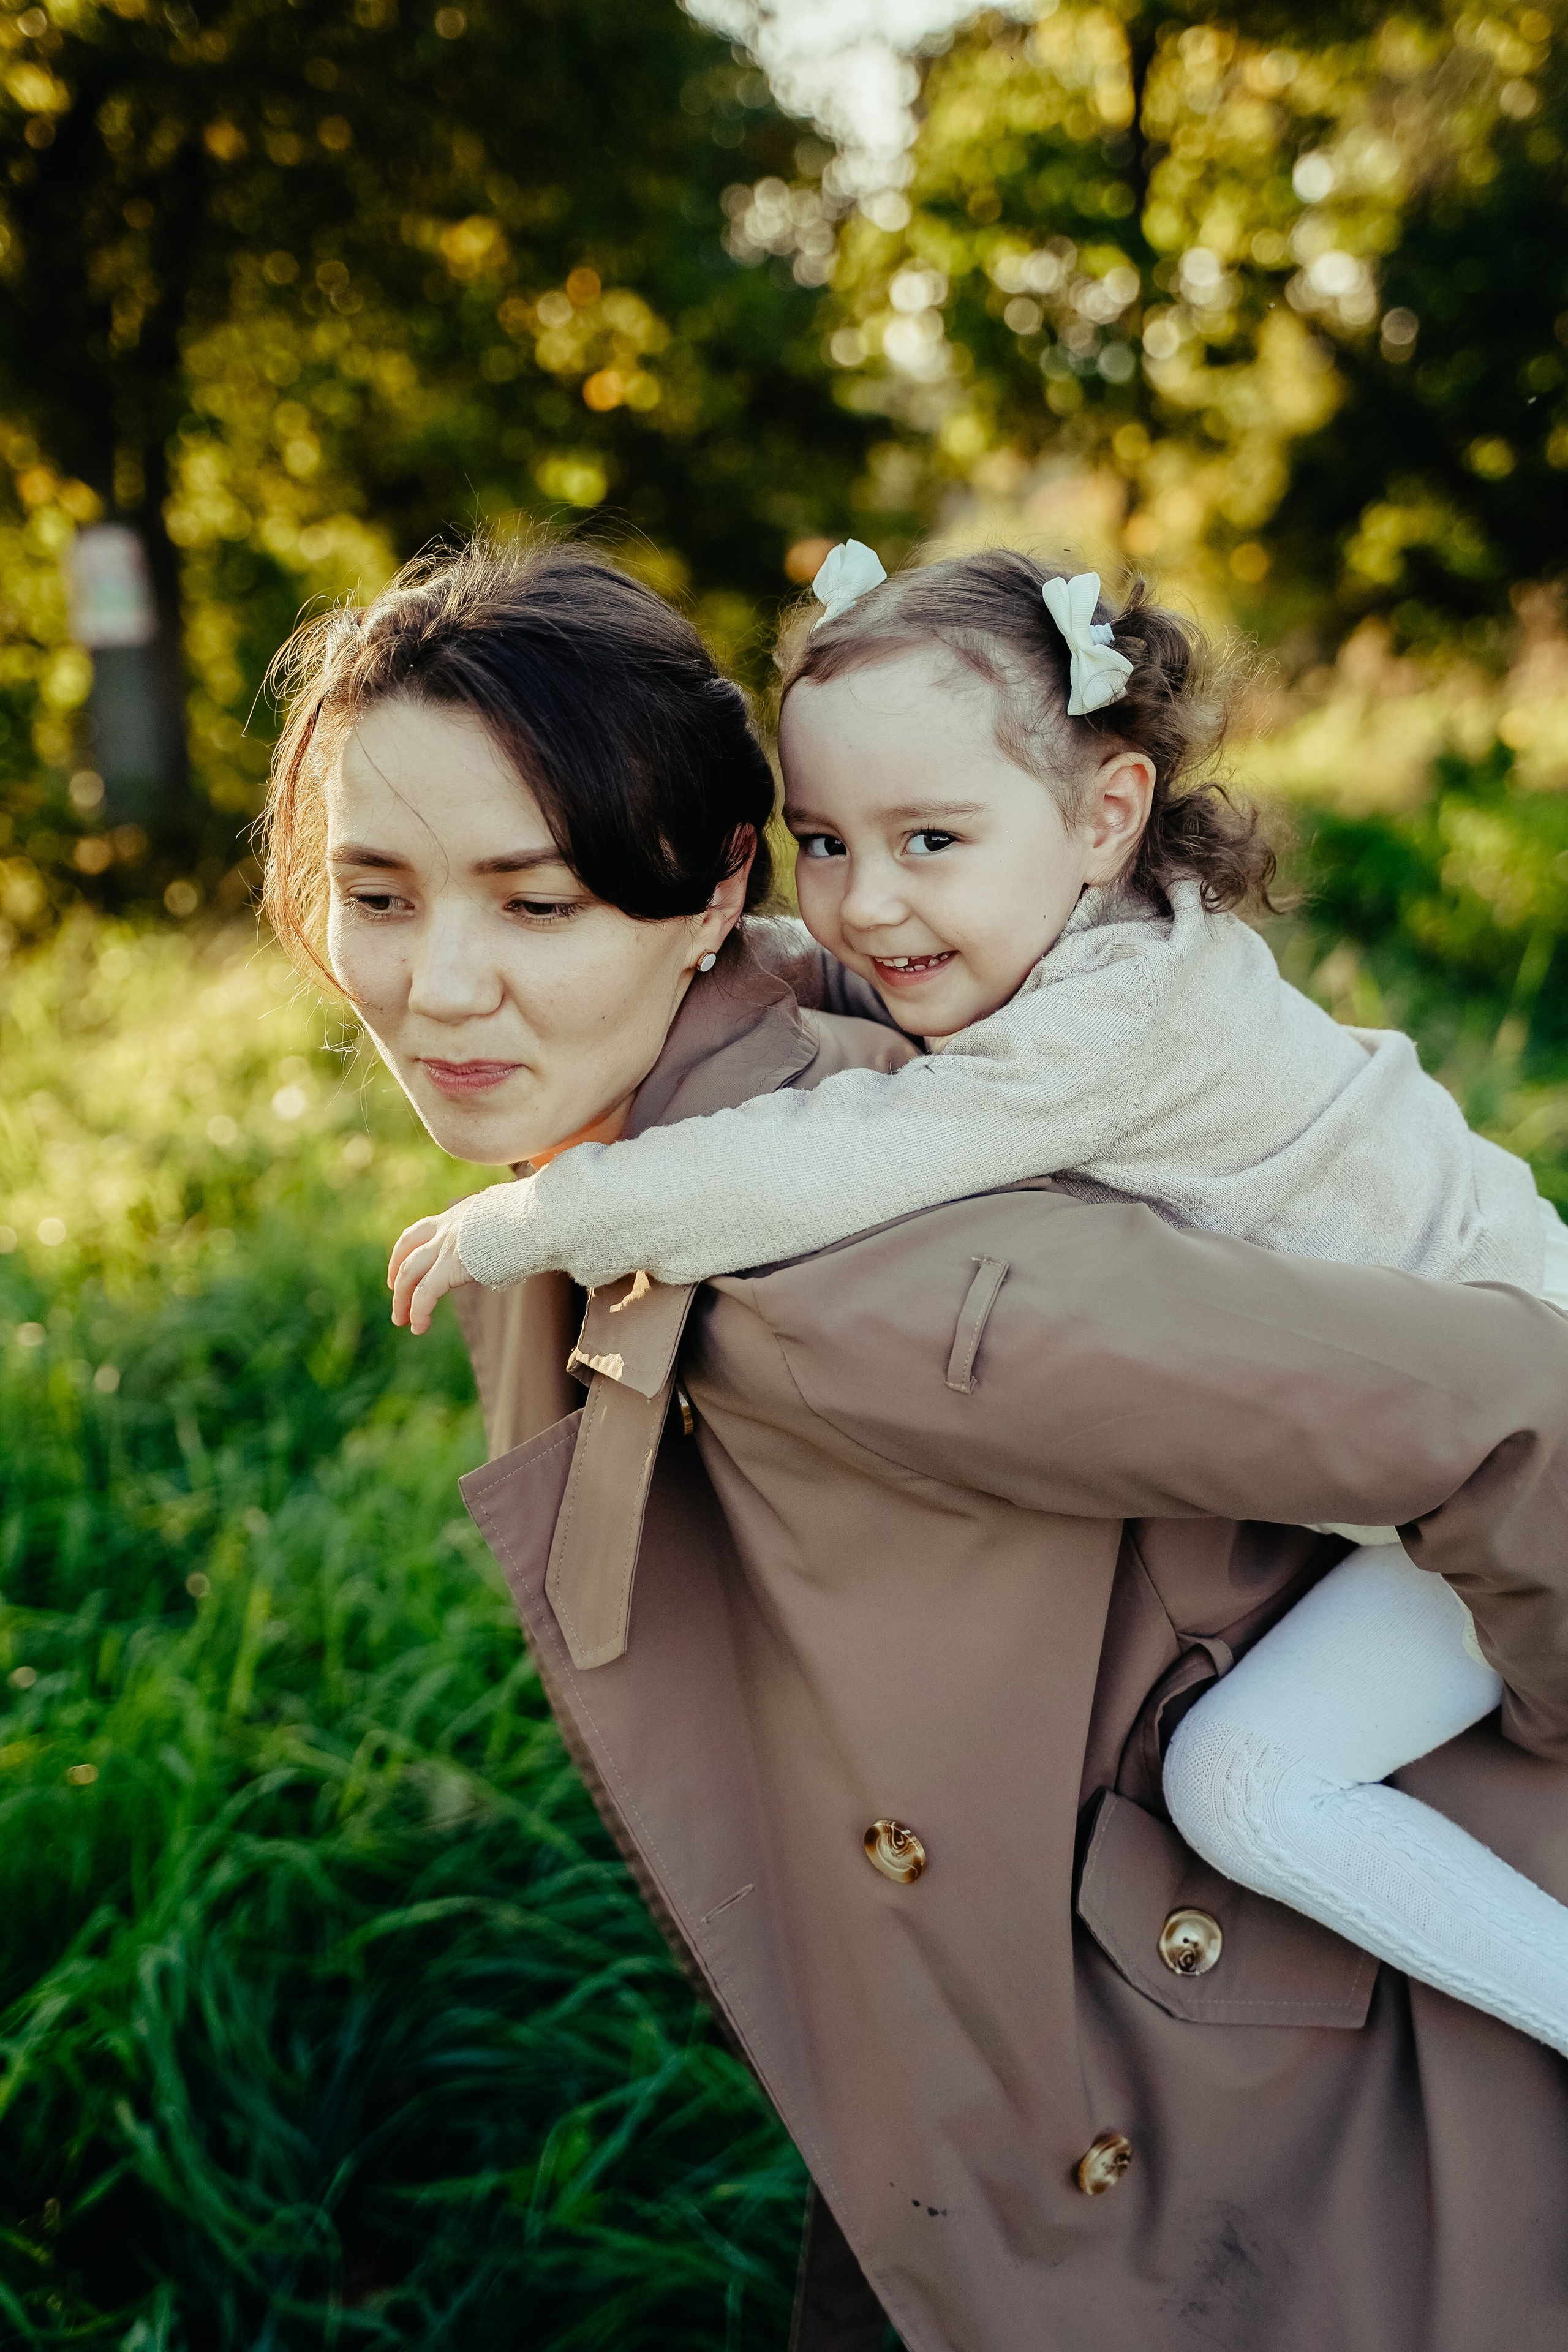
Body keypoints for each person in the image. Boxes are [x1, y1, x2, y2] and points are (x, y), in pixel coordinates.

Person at [262, 534, 1568, 2352]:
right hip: (958, 2072)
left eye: (538, 900)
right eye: (376, 893)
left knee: (1258, 1789)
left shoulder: (879, 1283)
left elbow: (1534, 1420)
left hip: (1157, 2129)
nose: (439, 985)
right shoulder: (837, 1029)